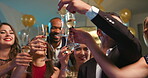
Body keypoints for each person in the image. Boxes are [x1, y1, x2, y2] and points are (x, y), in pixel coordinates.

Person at [58, 0, 142, 78]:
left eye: (118, 27)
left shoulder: (128, 52)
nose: (116, 30)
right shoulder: (85, 67)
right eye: (109, 27)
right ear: (99, 32)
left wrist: (88, 9)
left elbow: (126, 38)